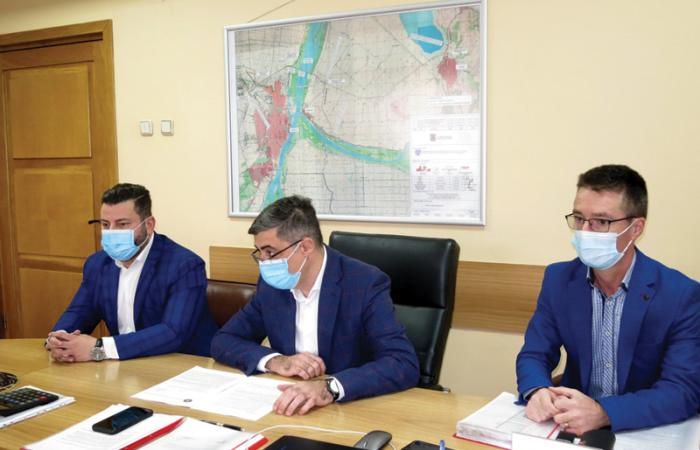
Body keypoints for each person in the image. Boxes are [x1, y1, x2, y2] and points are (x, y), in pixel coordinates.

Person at [516, 164, 700, 434]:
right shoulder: (559, 279)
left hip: (644, 430)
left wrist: (604, 412)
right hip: (573, 428)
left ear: (636, 228)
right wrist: (536, 390)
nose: (585, 231)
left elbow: (682, 390)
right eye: (579, 218)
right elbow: (535, 353)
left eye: (601, 222)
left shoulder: (681, 294)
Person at [211, 195, 419, 416]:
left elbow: (402, 363)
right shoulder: (272, 286)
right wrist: (276, 361)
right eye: (259, 252)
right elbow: (224, 340)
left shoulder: (364, 283)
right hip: (289, 404)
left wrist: (329, 387)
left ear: (306, 247)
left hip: (351, 409)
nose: (263, 262)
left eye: (270, 252)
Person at [45, 183, 218, 362]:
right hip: (125, 365)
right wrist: (60, 338)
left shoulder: (185, 265)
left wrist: (100, 348)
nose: (111, 232)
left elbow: (173, 332)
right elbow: (79, 312)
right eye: (105, 224)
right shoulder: (97, 264)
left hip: (182, 364)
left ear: (149, 225)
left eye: (122, 224)